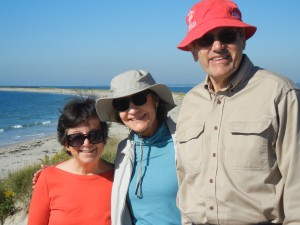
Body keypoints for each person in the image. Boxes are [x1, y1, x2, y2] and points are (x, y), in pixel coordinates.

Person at [175, 0, 300, 224]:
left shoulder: (280, 92)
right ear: (194, 50)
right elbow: (186, 179)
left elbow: (297, 180)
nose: (217, 47)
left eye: (226, 36)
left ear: (242, 39)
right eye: (205, 39)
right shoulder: (190, 102)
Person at [96, 69, 185, 225]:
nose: (132, 110)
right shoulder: (124, 149)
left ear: (155, 101)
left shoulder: (184, 141)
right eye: (122, 104)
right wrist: (52, 173)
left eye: (139, 99)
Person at [27, 96, 114, 225]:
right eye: (76, 138)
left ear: (104, 138)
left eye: (94, 135)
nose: (87, 143)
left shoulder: (120, 177)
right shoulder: (47, 179)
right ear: (65, 143)